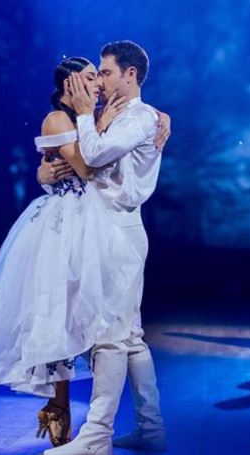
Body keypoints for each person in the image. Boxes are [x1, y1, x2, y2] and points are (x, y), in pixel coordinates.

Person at [44, 40, 167, 455]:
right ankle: (151, 429)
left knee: (110, 337)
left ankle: (96, 437)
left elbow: (93, 156)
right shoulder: (126, 115)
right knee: (130, 336)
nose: (99, 80)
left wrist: (83, 114)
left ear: (130, 75)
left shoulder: (140, 117)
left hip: (117, 229)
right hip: (108, 227)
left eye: (107, 72)